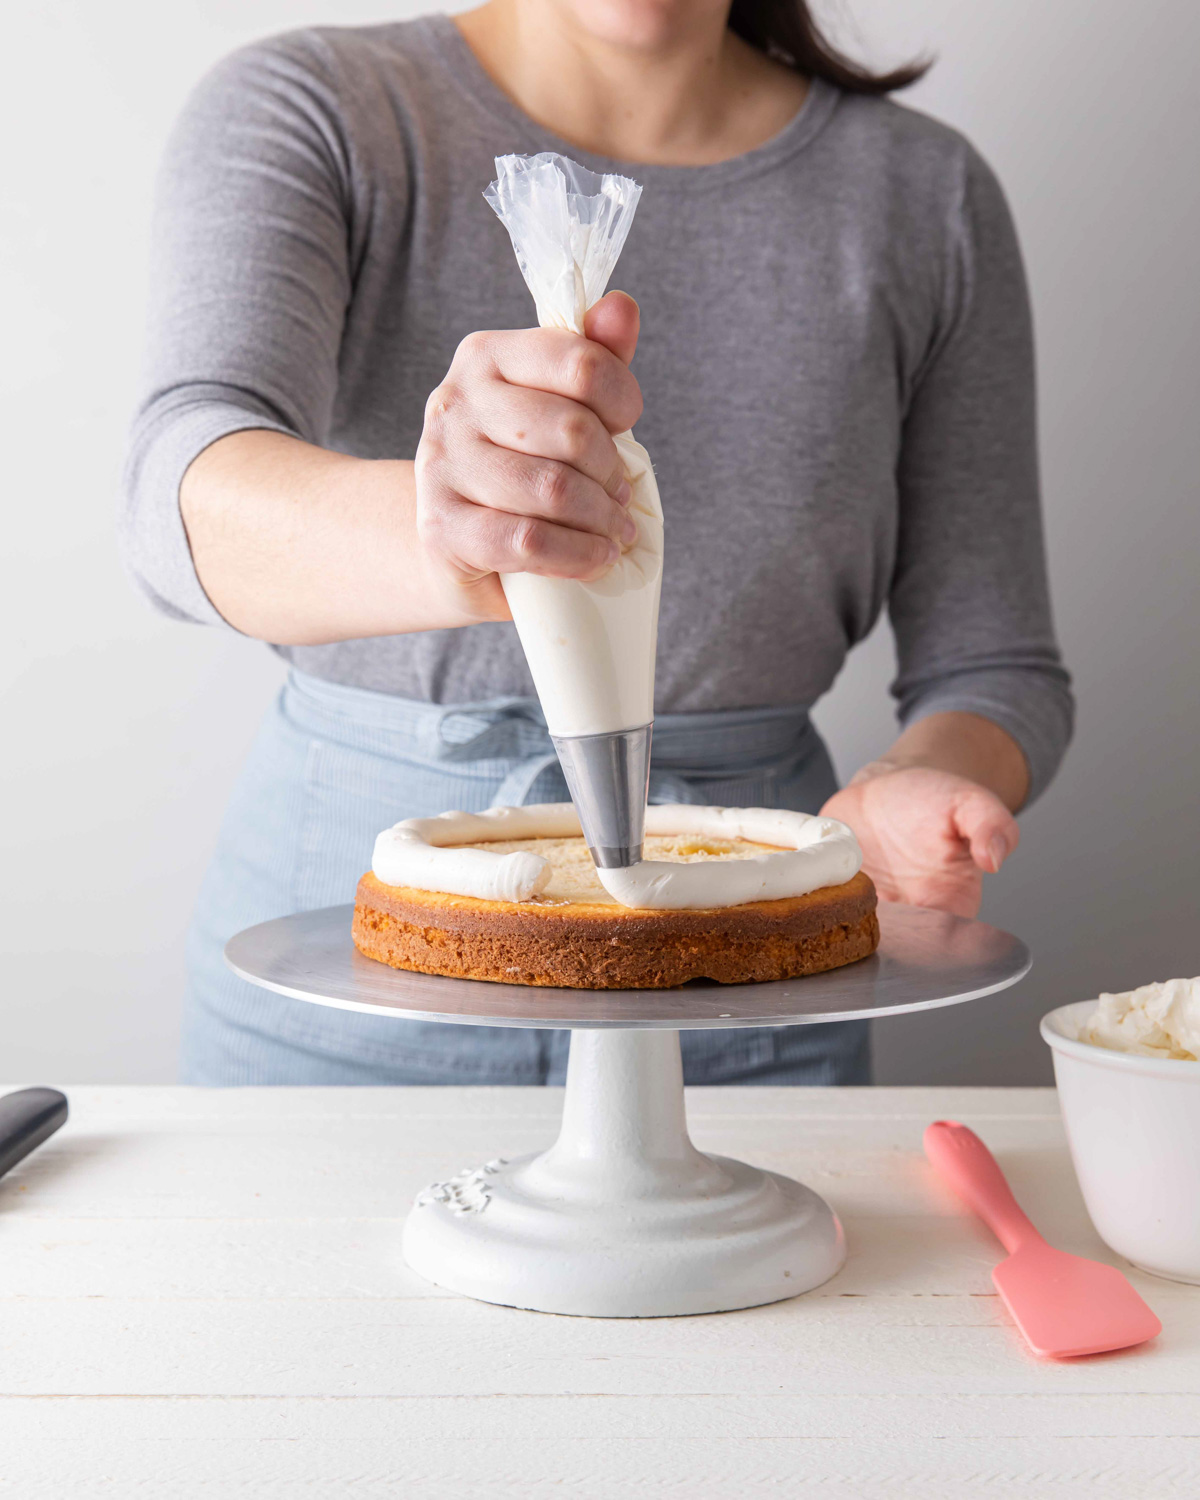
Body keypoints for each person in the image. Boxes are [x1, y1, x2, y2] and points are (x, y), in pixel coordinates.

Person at [120, 0, 1073, 1086]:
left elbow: (996, 668)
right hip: (337, 991)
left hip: (740, 993)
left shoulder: (921, 195)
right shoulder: (320, 108)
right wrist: (457, 536)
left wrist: (920, 782)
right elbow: (176, 497)